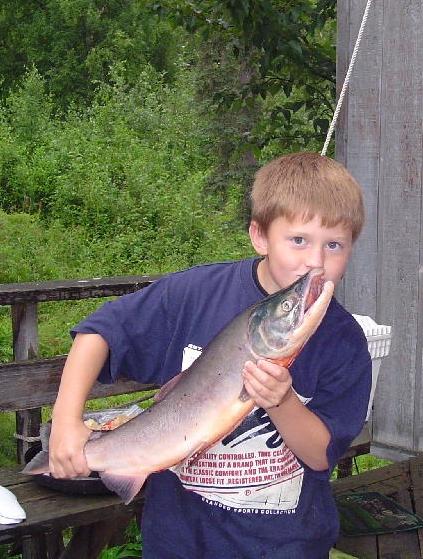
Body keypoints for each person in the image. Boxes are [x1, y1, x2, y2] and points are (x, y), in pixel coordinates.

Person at [47, 151, 372, 558]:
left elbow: (321, 455)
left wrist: (282, 401)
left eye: (335, 245)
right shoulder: (195, 295)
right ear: (260, 235)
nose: (316, 262)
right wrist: (65, 422)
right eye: (299, 240)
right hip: (180, 542)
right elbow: (99, 332)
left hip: (285, 546)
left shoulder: (344, 342)